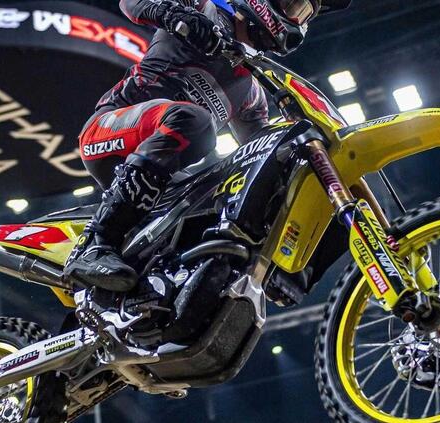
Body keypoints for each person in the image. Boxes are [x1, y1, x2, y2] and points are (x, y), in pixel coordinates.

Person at [64, 0, 325, 292]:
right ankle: (96, 242)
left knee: (225, 190)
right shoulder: (202, 8)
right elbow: (130, 2)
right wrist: (174, 14)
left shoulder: (252, 93)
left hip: (165, 170)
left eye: (304, 12)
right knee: (196, 121)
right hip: (108, 130)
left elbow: (260, 155)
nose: (296, 17)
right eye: (294, 5)